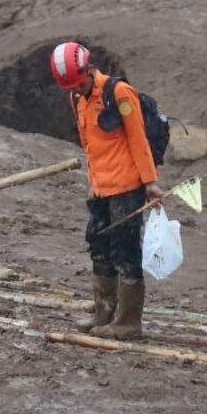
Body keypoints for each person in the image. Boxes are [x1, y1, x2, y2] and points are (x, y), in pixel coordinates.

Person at [50, 42, 164, 340]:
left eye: (79, 83)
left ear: (89, 69)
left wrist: (150, 182)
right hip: (100, 188)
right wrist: (93, 183)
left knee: (125, 251)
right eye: (71, 87)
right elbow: (89, 145)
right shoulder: (77, 98)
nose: (76, 89)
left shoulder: (119, 93)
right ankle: (103, 313)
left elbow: (138, 138)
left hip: (127, 186)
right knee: (99, 247)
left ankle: (128, 322)